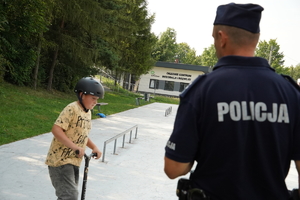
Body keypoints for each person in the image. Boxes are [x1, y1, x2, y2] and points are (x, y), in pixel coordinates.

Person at [164, 3, 300, 200]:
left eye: (213, 38)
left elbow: (174, 168)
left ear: (221, 37)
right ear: (256, 38)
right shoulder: (290, 94)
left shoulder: (202, 90)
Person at [45, 77, 104, 200]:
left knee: (69, 195)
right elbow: (56, 129)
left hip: (74, 161)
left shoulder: (87, 112)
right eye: (93, 98)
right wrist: (75, 147)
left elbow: (82, 135)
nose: (95, 102)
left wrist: (94, 147)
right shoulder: (72, 108)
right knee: (70, 196)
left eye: (96, 99)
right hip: (60, 160)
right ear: (82, 95)